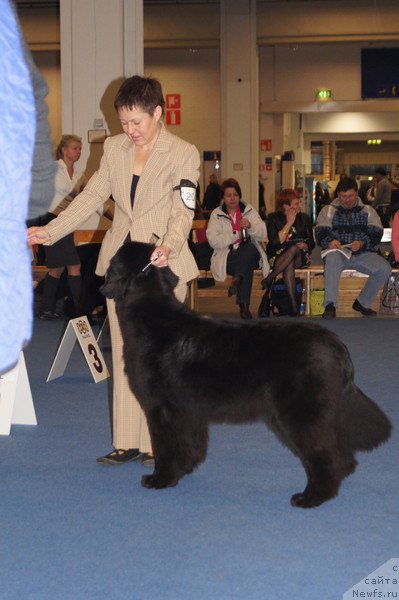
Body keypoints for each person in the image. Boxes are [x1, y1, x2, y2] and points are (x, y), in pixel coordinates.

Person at [28, 75, 200, 466]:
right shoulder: (114, 148)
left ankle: (163, 442)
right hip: (122, 267)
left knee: (162, 359)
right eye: (124, 122)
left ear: (158, 112)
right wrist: (49, 230)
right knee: (126, 354)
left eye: (137, 122)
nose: (130, 130)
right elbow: (91, 194)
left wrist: (169, 245)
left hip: (163, 267)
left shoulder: (184, 152)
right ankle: (128, 441)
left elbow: (183, 208)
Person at [316, 176, 391, 319]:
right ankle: (330, 305)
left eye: (350, 196)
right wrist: (330, 241)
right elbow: (320, 232)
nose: (347, 199)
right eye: (343, 196)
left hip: (362, 253)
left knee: (384, 269)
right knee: (331, 258)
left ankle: (362, 303)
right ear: (338, 195)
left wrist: (362, 242)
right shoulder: (328, 210)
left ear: (357, 193)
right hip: (338, 253)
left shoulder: (368, 210)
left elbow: (377, 232)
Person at [206, 177, 268, 319]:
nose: (232, 199)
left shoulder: (248, 210)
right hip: (228, 258)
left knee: (248, 249)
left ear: (239, 195)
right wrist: (236, 234)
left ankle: (238, 280)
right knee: (245, 263)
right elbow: (213, 241)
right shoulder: (216, 214)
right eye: (228, 195)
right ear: (223, 198)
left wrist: (251, 227)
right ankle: (243, 306)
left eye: (235, 195)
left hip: (250, 255)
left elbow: (263, 233)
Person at [38, 135, 86, 320]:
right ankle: (79, 310)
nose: (78, 152)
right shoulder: (53, 170)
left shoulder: (80, 174)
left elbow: (96, 201)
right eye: (75, 148)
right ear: (64, 150)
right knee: (75, 265)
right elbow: (68, 194)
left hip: (67, 222)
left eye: (80, 148)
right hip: (53, 221)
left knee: (56, 268)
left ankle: (45, 309)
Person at [259, 188, 315, 317]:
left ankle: (270, 277)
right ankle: (293, 306)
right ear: (286, 206)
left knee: (294, 248)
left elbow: (311, 242)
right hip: (278, 257)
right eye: (296, 204)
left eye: (299, 202)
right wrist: (289, 223)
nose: (299, 205)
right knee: (288, 261)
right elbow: (274, 243)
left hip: (300, 256)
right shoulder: (273, 218)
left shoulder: (304, 218)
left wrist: (305, 245)